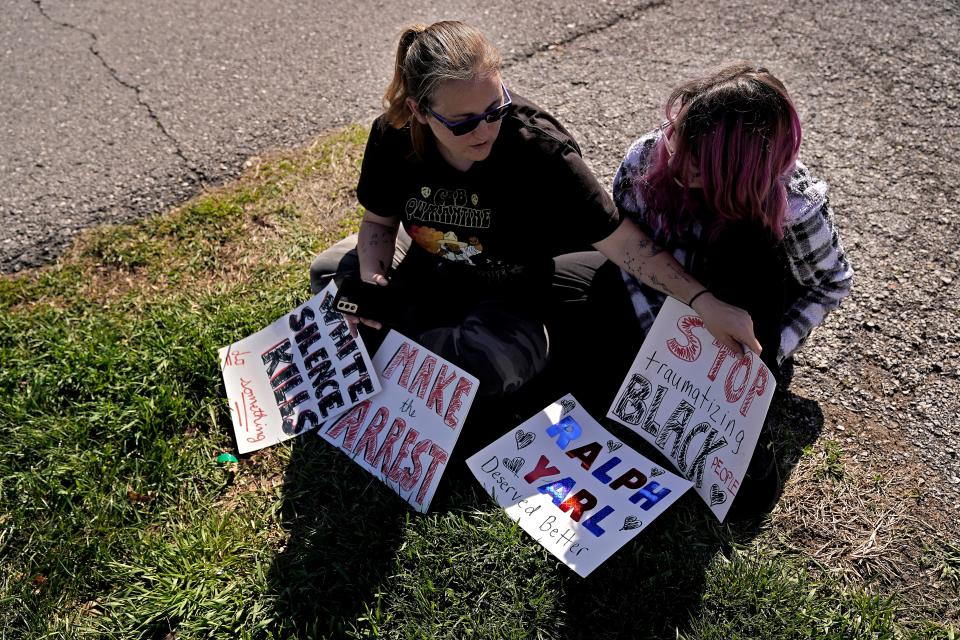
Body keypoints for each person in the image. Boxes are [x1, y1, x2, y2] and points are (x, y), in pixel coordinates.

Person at [310, 22, 759, 423]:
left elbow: (620, 240)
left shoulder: (538, 147)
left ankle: (395, 346)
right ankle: (403, 343)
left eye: (495, 108)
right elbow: (378, 224)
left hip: (513, 289)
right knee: (329, 273)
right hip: (428, 268)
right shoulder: (394, 134)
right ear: (421, 111)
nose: (485, 130)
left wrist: (702, 301)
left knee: (485, 369)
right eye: (464, 123)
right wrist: (371, 280)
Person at [606, 63, 854, 516]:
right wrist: (657, 345)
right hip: (661, 304)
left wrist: (768, 351)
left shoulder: (792, 202)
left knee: (750, 246)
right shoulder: (646, 158)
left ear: (744, 170)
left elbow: (830, 283)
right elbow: (627, 252)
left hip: (739, 323)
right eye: (675, 142)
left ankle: (738, 413)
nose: (676, 166)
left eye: (699, 166)